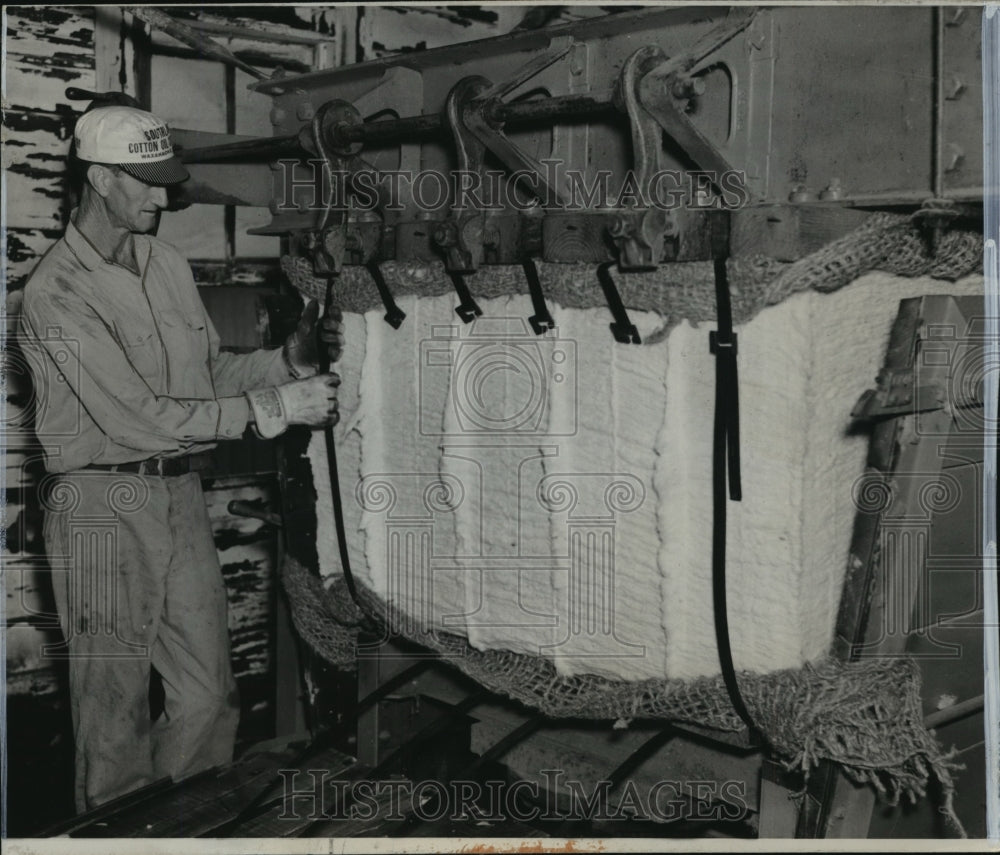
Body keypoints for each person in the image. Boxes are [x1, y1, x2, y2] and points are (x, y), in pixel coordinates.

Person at [17, 105, 342, 812]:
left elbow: (206, 375)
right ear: (100, 179)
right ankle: (117, 833)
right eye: (147, 184)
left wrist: (284, 364)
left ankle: (184, 822)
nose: (163, 201)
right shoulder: (56, 294)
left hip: (178, 493)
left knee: (208, 695)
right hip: (101, 505)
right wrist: (276, 408)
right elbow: (138, 417)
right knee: (114, 708)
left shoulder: (164, 263)